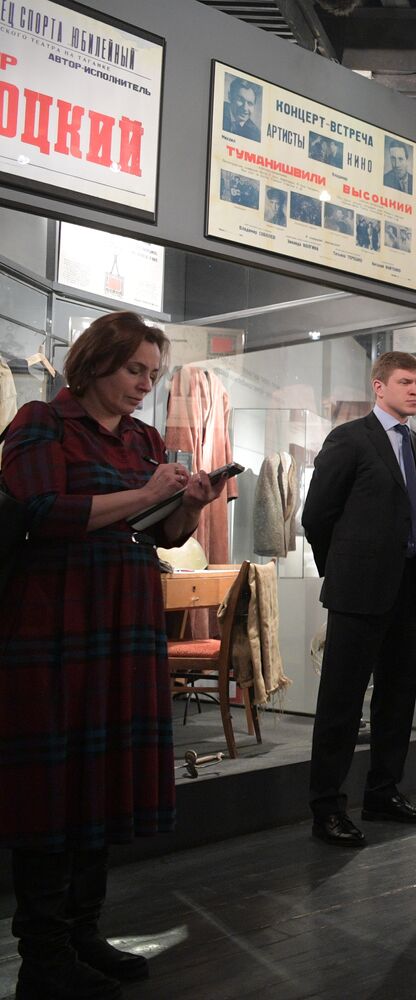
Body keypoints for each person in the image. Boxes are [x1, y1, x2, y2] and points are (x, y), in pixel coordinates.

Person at [0, 312, 227, 1000]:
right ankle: (42, 954)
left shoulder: (142, 438)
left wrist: (189, 505)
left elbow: (159, 532)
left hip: (123, 613)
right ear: (95, 361)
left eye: (153, 374)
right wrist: (148, 492)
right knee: (54, 783)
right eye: (135, 370)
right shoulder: (42, 422)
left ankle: (82, 931)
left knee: (98, 774)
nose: (144, 385)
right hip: (56, 618)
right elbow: (41, 511)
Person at [302, 352, 416, 848]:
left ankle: (383, 792)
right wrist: (339, 571)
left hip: (407, 587)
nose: (415, 390)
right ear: (379, 387)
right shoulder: (350, 438)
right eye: (405, 382)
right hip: (358, 591)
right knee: (340, 701)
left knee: (398, 699)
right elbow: (317, 515)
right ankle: (327, 807)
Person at [222, 76, 261, 142]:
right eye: (240, 100)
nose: (245, 108)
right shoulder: (217, 110)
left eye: (250, 103)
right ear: (230, 96)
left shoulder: (255, 134)